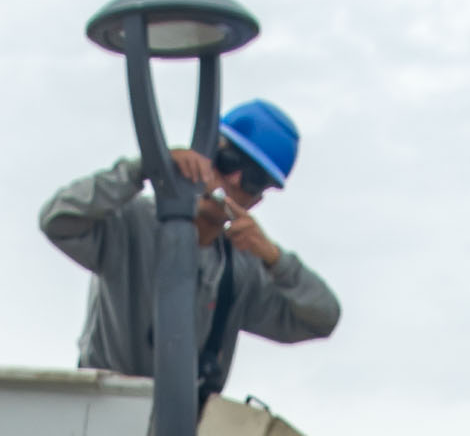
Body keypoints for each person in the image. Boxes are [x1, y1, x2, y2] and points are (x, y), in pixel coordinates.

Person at [40, 97, 340, 396]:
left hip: (184, 430)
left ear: (257, 199)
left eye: (253, 178)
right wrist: (143, 168)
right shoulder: (130, 223)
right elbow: (57, 219)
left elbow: (323, 317)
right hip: (103, 410)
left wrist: (276, 260)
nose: (234, 179)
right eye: (229, 161)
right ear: (206, 156)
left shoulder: (240, 270)